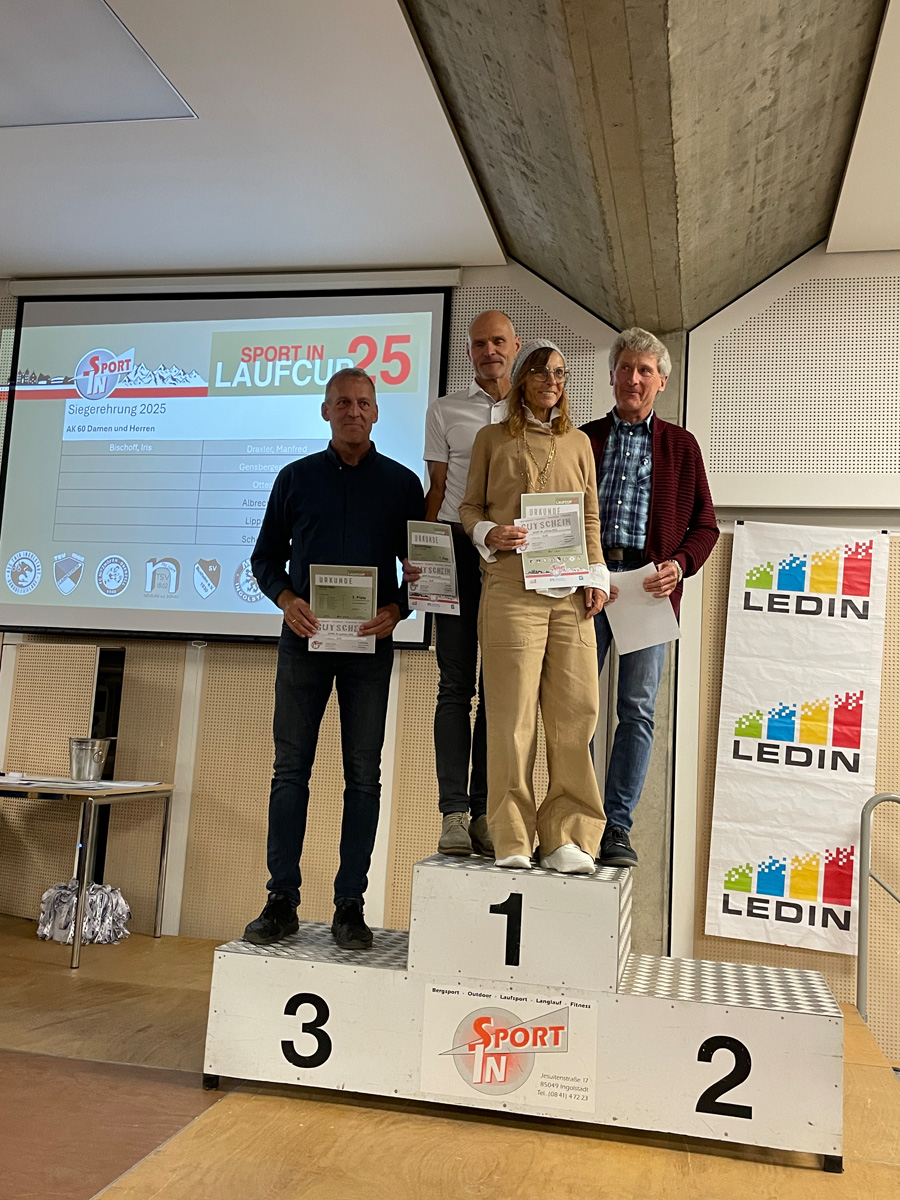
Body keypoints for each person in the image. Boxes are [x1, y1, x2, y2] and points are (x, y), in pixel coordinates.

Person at [244, 367, 425, 949]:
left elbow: (421, 571)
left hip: (369, 650)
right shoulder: (294, 479)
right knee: (289, 772)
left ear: (376, 413)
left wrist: (397, 609)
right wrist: (286, 599)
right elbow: (264, 559)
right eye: (342, 402)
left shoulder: (402, 485)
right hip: (305, 645)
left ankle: (350, 905)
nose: (353, 411)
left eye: (363, 403)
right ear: (326, 411)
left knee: (363, 776)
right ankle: (281, 901)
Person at [459, 340, 609, 874]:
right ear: (523, 378)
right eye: (543, 372)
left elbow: (589, 517)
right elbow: (469, 506)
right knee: (511, 718)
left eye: (561, 374)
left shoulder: (579, 443)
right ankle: (513, 837)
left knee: (575, 714)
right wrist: (488, 532)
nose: (552, 381)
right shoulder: (491, 438)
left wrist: (596, 574)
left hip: (570, 594)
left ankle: (569, 836)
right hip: (510, 591)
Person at [581, 328, 718, 868]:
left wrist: (679, 566)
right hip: (590, 585)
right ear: (612, 375)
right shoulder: (583, 439)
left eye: (645, 370)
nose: (633, 379)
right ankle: (576, 820)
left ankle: (616, 826)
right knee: (576, 707)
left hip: (646, 589)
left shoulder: (681, 446)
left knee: (636, 711)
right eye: (625, 368)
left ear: (661, 381)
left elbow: (705, 527)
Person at [422, 310, 521, 858]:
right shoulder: (445, 409)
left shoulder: (531, 408)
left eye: (498, 341)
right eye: (480, 343)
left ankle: (485, 812)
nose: (490, 351)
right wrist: (419, 556)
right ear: (469, 352)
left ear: (515, 346)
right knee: (455, 685)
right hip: (456, 550)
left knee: (499, 689)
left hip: (511, 558)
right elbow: (436, 489)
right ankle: (453, 814)